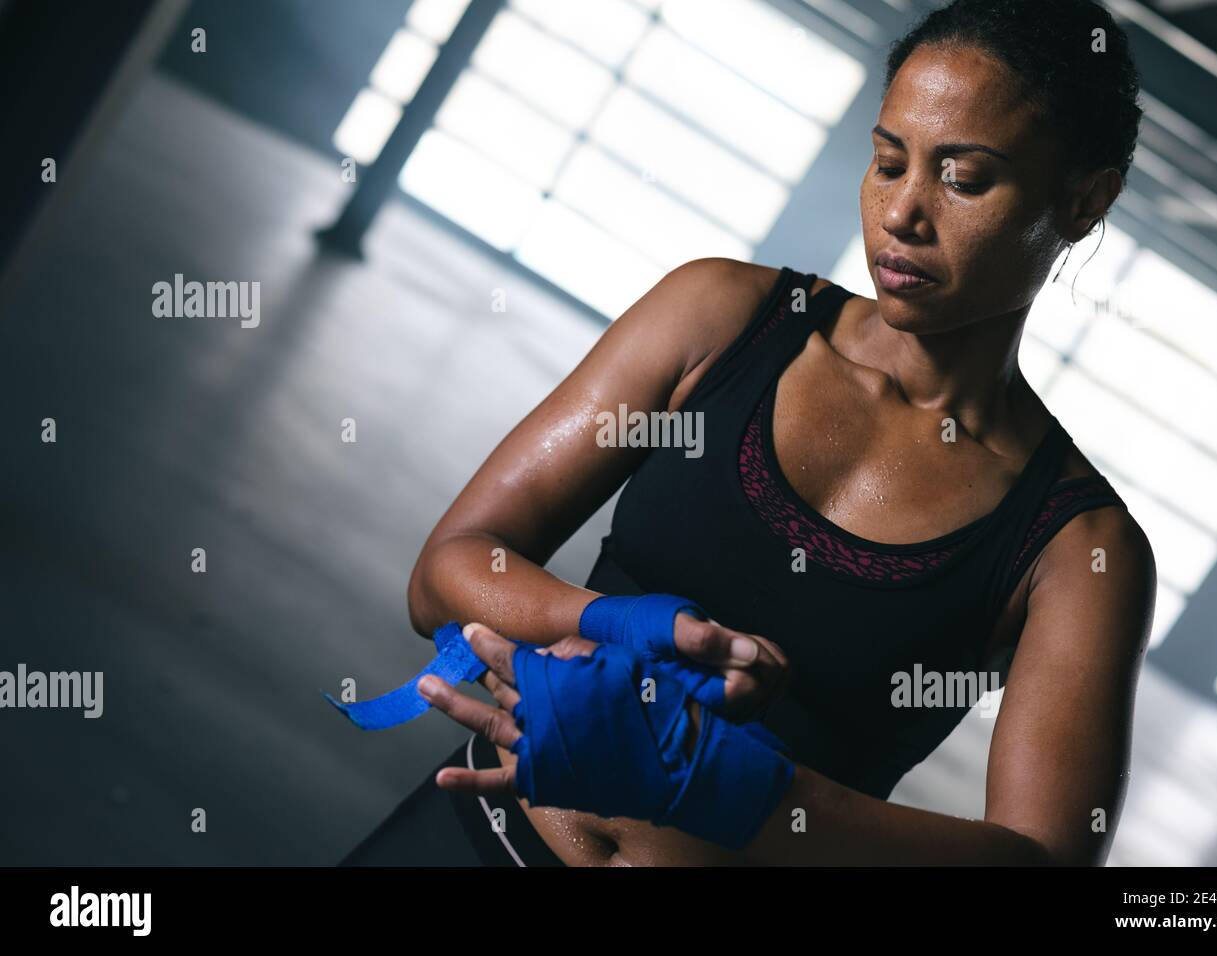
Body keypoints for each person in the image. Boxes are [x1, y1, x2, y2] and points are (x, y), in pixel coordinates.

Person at [340, 0, 1155, 867]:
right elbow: (449, 570)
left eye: (962, 179)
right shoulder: (722, 317)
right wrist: (615, 625)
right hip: (466, 844)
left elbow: (1046, 861)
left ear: (1081, 200)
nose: (902, 213)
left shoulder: (1078, 548)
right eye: (887, 163)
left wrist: (737, 788)